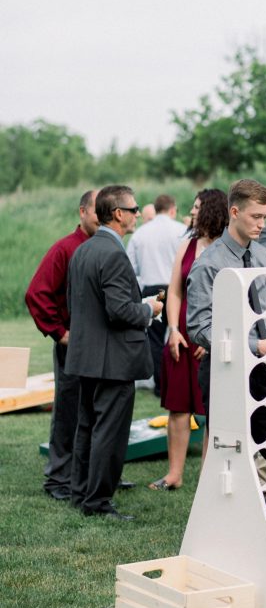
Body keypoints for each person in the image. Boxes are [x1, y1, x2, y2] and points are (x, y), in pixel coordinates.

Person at [186, 178, 266, 572]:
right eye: (257, 216)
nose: (264, 223)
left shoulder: (263, 256)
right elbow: (199, 326)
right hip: (227, 374)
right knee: (236, 464)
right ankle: (238, 549)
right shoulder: (208, 264)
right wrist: (250, 344)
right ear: (234, 212)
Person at [66, 186, 163, 520]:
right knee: (109, 432)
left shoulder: (84, 249)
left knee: (87, 427)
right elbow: (119, 311)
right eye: (134, 209)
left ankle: (81, 493)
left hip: (86, 356)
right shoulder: (113, 252)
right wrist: (150, 309)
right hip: (113, 360)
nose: (137, 214)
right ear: (118, 214)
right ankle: (98, 502)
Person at [149, 189, 230, 491]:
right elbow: (174, 291)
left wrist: (209, 339)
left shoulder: (227, 250)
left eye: (197, 207)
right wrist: (172, 329)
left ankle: (208, 479)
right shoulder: (187, 244)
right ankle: (174, 474)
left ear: (212, 210)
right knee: (178, 407)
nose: (192, 212)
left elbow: (231, 297)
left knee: (212, 410)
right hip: (180, 335)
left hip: (212, 335)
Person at [25, 190, 99, 501]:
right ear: (82, 211)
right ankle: (58, 479)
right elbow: (37, 293)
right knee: (69, 411)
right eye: (98, 210)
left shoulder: (106, 246)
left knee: (97, 411)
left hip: (101, 346)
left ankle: (93, 475)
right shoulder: (64, 249)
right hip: (73, 343)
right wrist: (59, 332)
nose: (104, 215)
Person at [126, 193, 187, 394]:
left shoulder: (140, 234)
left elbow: (130, 268)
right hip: (176, 288)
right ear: (172, 209)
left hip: (154, 290)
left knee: (155, 338)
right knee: (180, 333)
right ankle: (178, 382)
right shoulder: (182, 231)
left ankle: (160, 385)